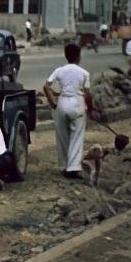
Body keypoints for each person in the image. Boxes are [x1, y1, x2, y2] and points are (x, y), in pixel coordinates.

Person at [43, 43, 97, 179]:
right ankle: (73, 168)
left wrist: (53, 102)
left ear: (66, 56)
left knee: (62, 136)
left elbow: (46, 87)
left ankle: (64, 166)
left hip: (62, 103)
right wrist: (91, 109)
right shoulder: (84, 73)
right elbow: (88, 94)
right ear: (78, 56)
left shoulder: (59, 70)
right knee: (76, 136)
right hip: (77, 103)